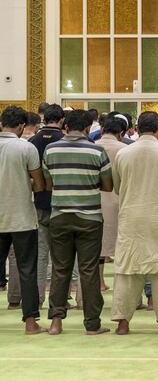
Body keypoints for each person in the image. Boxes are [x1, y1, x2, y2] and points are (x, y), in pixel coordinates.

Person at [109, 112, 158, 335]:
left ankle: (122, 322)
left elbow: (117, 186)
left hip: (131, 216)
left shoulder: (123, 153)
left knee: (127, 268)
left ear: (137, 129)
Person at [43, 109, 113, 335]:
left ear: (65, 125)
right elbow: (108, 186)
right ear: (86, 128)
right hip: (89, 218)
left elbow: (48, 183)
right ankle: (92, 324)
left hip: (59, 217)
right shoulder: (97, 151)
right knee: (89, 270)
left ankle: (56, 321)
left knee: (60, 270)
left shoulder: (50, 150)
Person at [0, 106, 46, 334]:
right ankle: (30, 322)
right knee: (27, 269)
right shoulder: (26, 148)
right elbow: (39, 184)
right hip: (21, 218)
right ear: (20, 126)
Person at [26, 104, 65, 301]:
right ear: (61, 120)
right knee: (61, 257)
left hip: (38, 202)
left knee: (40, 255)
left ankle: (38, 297)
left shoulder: (32, 141)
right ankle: (60, 299)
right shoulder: (63, 141)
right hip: (61, 204)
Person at [95, 115, 128, 292]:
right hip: (119, 200)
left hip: (95, 200)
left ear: (101, 130)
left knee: (97, 245)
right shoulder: (125, 149)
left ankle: (99, 281)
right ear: (121, 133)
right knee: (122, 245)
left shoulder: (93, 146)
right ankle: (123, 286)